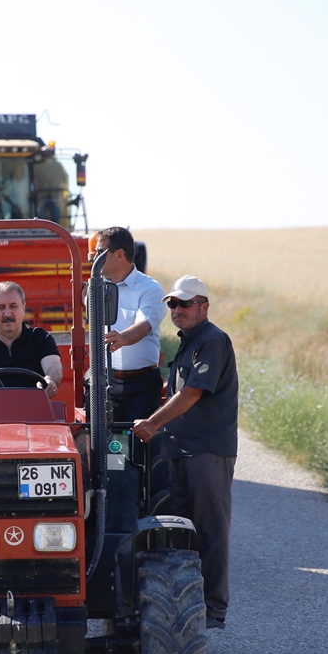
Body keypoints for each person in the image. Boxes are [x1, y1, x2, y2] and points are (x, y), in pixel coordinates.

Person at [132, 275, 238, 631]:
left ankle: (212, 609)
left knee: (209, 531)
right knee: (183, 532)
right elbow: (175, 389)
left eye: (185, 304)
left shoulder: (212, 341)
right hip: (180, 452)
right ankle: (185, 604)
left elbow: (191, 394)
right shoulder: (189, 343)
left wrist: (151, 424)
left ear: (204, 307)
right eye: (172, 305)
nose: (177, 310)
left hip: (206, 452)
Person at [90, 226, 167, 422]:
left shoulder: (149, 289)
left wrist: (123, 337)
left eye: (100, 252)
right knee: (100, 447)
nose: (94, 257)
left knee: (138, 445)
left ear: (119, 255)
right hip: (105, 382)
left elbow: (145, 324)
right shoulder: (96, 287)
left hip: (141, 387)